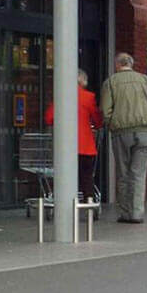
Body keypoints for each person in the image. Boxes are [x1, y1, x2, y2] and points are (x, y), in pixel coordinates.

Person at [100, 52, 147, 224]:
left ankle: (126, 212)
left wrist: (112, 123)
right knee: (138, 173)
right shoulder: (146, 80)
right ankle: (137, 213)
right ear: (131, 64)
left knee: (123, 173)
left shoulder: (111, 82)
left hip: (121, 133)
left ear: (117, 65)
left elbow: (105, 110)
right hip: (144, 132)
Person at [44, 68, 103, 205]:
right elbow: (97, 120)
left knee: (64, 176)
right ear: (82, 81)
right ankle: (89, 205)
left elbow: (49, 118)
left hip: (65, 147)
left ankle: (63, 205)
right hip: (85, 146)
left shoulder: (61, 95)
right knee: (86, 177)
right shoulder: (89, 97)